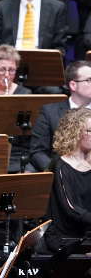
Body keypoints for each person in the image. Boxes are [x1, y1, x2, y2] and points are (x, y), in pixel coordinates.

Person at [43, 108, 91, 253]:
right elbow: (71, 209)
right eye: (89, 131)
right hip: (65, 238)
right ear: (75, 133)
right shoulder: (60, 166)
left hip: (87, 233)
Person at [30, 61, 91, 172]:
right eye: (89, 80)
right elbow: (37, 151)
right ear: (73, 85)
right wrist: (57, 171)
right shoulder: (49, 112)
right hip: (60, 175)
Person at [0, 0, 68, 52]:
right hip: (9, 60)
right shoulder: (3, 6)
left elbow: (60, 48)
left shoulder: (57, 8)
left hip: (42, 60)